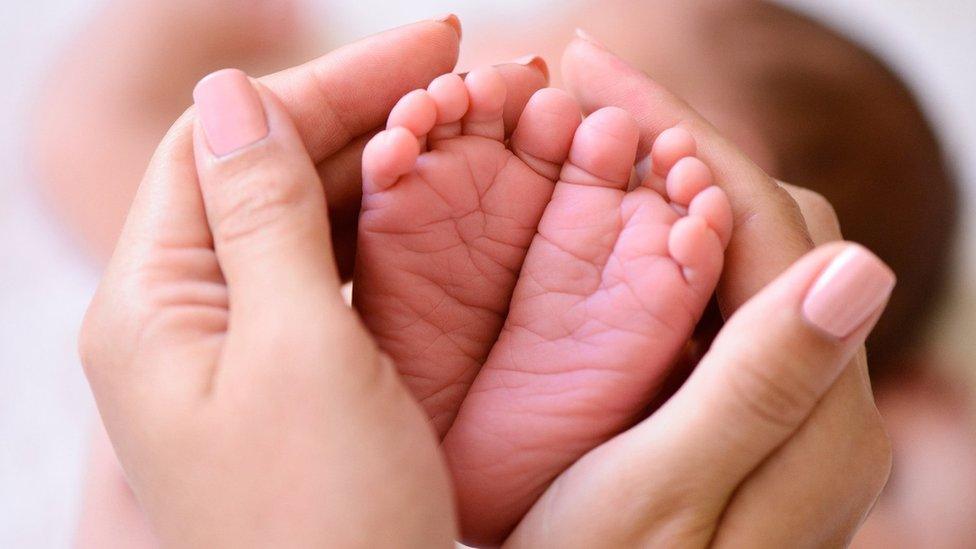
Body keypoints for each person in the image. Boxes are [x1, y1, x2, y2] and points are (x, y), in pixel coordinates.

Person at [78, 17, 893, 546]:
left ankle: (428, 390)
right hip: (296, 472)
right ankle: (541, 420)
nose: (517, 32)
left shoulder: (268, 154)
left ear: (715, 136)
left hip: (228, 437)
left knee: (143, 459)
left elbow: (86, 124)